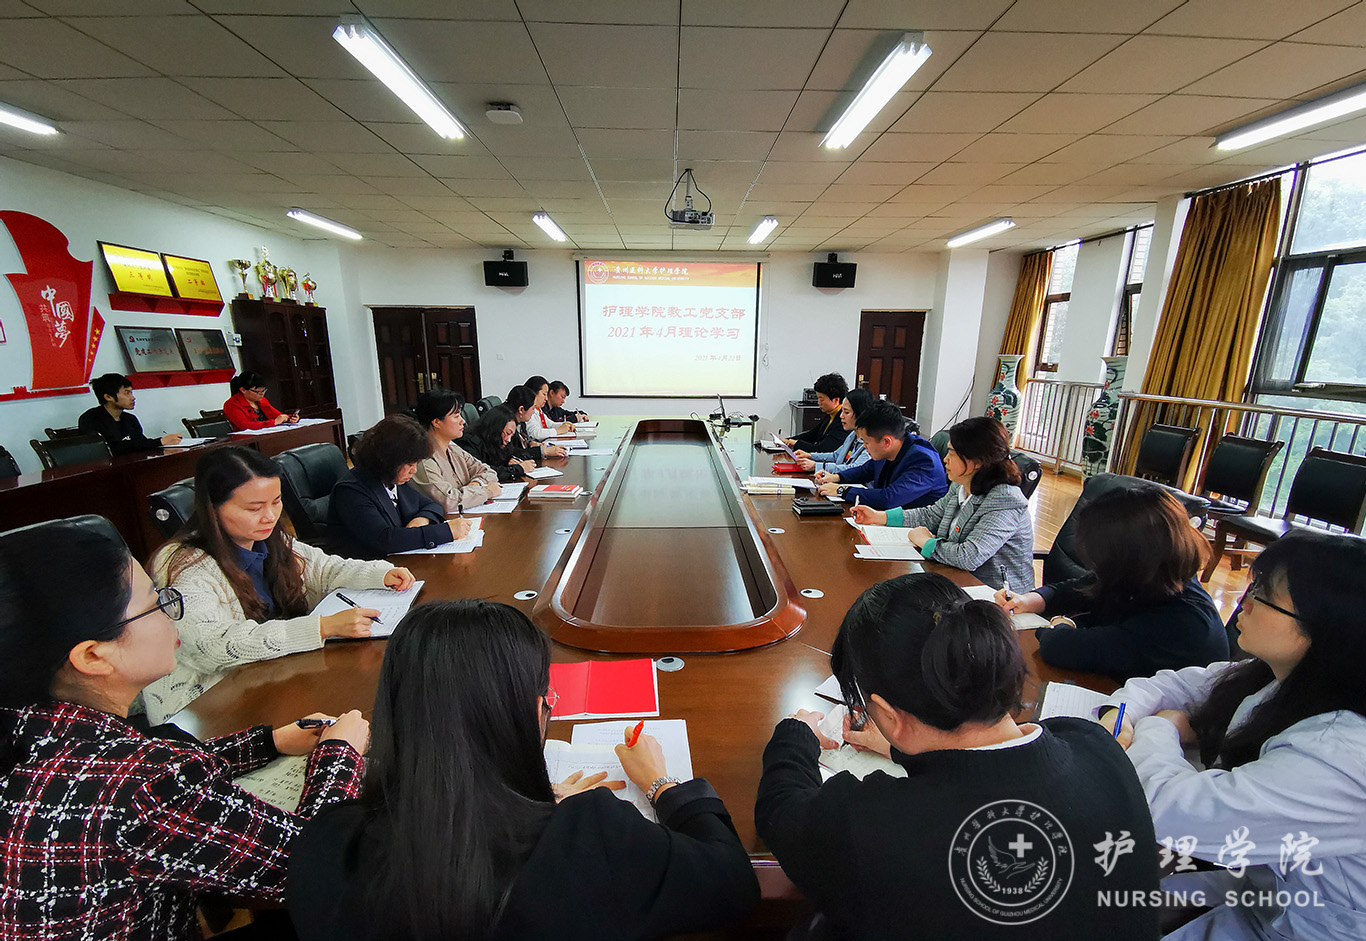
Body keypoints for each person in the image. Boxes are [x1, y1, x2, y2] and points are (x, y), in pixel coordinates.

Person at [287, 599, 759, 940]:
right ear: (534, 712)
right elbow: (733, 882)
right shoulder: (591, 837)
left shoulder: (328, 848)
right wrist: (661, 784)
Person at [0, 514, 369, 940]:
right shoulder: (138, 786)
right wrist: (340, 754)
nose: (174, 614)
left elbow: (134, 774)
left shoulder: (32, 730)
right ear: (93, 656)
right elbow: (314, 867)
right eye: (157, 602)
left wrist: (268, 742)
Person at [755, 573, 1159, 940]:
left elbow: (780, 809)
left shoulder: (871, 827)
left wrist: (796, 732)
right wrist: (898, 746)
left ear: (890, 715)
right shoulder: (1097, 746)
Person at [1103, 532, 1366, 941]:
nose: (1244, 601)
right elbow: (1174, 685)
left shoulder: (1340, 753)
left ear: (1326, 627)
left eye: (1263, 593)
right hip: (1262, 888)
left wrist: (1162, 726)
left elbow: (1173, 811)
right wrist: (1115, 718)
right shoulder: (1282, 676)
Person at [143, 446, 412, 723]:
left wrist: (379, 574)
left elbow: (325, 569)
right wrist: (321, 627)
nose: (270, 516)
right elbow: (215, 646)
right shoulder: (182, 565)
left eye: (276, 501)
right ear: (213, 508)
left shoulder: (269, 538)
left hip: (273, 675)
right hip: (210, 704)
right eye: (254, 508)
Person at [998, 484, 1228, 682]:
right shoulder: (1156, 575)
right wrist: (1030, 599)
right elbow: (1079, 588)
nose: (1095, 568)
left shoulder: (1183, 624)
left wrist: (1062, 622)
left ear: (1127, 558)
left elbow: (1058, 647)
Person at [852, 416, 1032, 591]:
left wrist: (926, 542)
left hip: (994, 594)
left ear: (976, 461)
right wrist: (879, 517)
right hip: (950, 575)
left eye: (952, 454)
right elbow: (931, 515)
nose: (945, 459)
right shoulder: (961, 484)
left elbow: (969, 556)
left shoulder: (1005, 500)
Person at [330, 415, 468, 560]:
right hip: (368, 566)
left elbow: (432, 505)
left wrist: (422, 519)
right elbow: (385, 539)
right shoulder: (351, 491)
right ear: (388, 459)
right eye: (409, 464)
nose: (414, 470)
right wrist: (446, 532)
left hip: (399, 561)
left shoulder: (392, 478)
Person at [815, 399, 947, 511]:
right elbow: (866, 470)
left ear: (886, 441)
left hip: (914, 527)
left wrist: (841, 490)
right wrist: (836, 477)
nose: (864, 446)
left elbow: (889, 499)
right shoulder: (891, 449)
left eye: (866, 442)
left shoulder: (923, 461)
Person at [412, 386, 501, 513]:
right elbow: (449, 501)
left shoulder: (452, 447)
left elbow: (488, 471)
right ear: (436, 422)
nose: (463, 421)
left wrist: (475, 484)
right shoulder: (424, 459)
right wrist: (487, 491)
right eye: (456, 416)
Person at [77, 372, 182, 453]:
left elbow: (141, 443)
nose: (132, 397)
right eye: (126, 393)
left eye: (131, 392)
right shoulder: (91, 419)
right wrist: (159, 441)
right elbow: (109, 449)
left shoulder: (130, 419)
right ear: (108, 397)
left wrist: (162, 443)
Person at [794, 387, 874, 475]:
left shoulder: (870, 442)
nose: (841, 416)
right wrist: (810, 455)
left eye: (846, 412)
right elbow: (836, 456)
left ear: (861, 414)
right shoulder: (853, 435)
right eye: (842, 411)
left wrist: (816, 466)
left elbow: (855, 469)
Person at [463, 404, 534, 482]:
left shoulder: (496, 442)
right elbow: (484, 471)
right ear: (495, 429)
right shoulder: (470, 443)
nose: (508, 440)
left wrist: (512, 459)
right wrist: (517, 469)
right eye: (507, 433)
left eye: (511, 435)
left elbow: (516, 451)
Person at [784, 373, 848, 453]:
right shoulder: (830, 415)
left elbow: (823, 449)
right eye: (818, 399)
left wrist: (796, 443)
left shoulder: (843, 421)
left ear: (836, 400)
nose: (818, 403)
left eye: (821, 399)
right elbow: (812, 435)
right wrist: (787, 440)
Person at [223, 371, 298, 431]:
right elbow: (246, 426)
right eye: (257, 391)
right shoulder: (231, 404)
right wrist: (274, 422)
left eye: (263, 391)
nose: (262, 394)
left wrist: (290, 418)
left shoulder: (261, 400)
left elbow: (277, 415)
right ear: (243, 390)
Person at [505, 384, 566, 457]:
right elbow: (510, 453)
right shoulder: (508, 425)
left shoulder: (522, 424)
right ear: (521, 410)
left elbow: (521, 447)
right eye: (533, 408)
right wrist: (542, 451)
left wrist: (530, 444)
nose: (534, 412)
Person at [522, 375, 574, 440]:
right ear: (533, 393)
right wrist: (558, 430)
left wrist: (565, 425)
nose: (546, 398)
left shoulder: (538, 409)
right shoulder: (527, 410)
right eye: (544, 394)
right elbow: (535, 433)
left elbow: (550, 424)